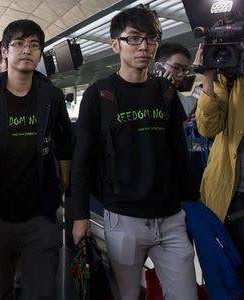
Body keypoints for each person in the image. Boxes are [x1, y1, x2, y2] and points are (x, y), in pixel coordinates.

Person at [70, 6, 198, 300]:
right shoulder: (99, 94)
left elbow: (179, 153)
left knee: (186, 294)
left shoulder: (165, 92)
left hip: (170, 220)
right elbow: (83, 161)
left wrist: (192, 203)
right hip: (123, 219)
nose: (144, 46)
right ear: (115, 45)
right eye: (134, 38)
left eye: (151, 39)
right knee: (127, 295)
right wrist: (80, 216)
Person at [0, 19, 71, 300]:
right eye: (19, 44)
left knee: (42, 292)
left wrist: (64, 182)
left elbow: (65, 143)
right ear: (5, 52)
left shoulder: (51, 97)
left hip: (40, 216)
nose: (27, 50)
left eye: (34, 45)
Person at [195, 44, 244, 274]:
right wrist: (208, 78)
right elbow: (207, 127)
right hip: (231, 197)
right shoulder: (229, 80)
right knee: (229, 275)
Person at [154, 42, 197, 119]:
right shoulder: (140, 94)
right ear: (159, 67)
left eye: (184, 70)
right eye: (176, 67)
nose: (181, 74)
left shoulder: (189, 104)